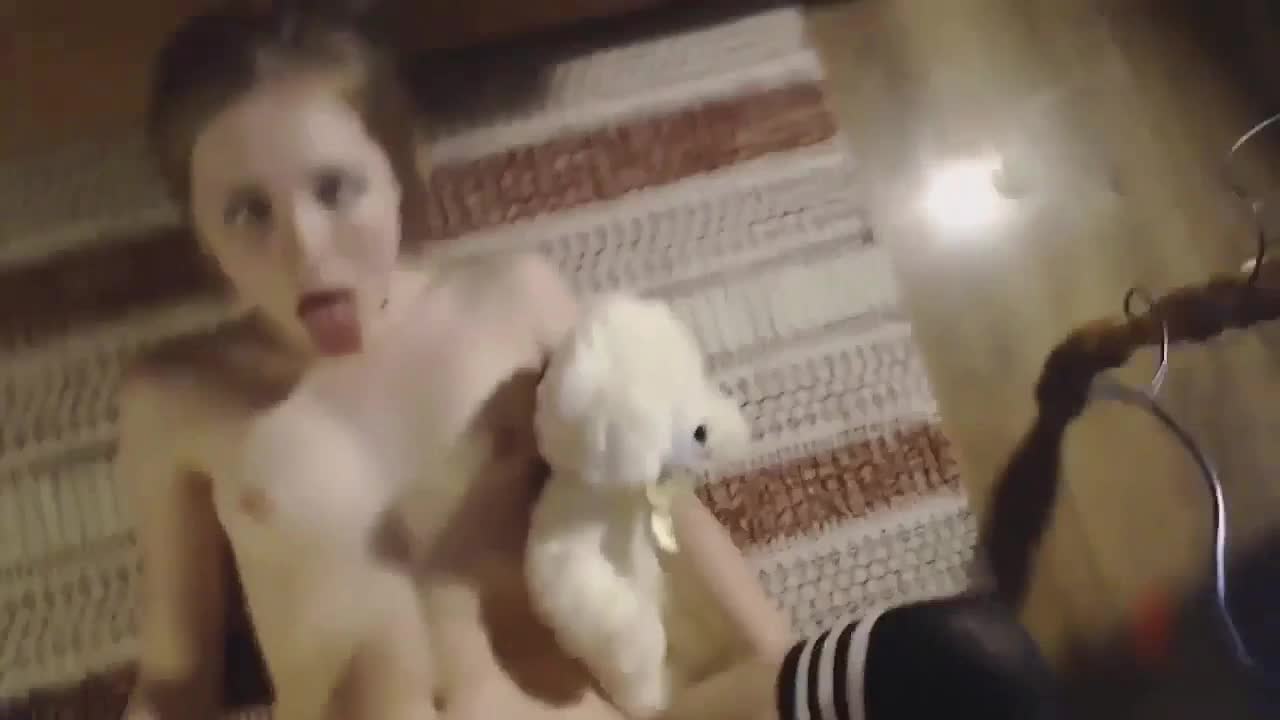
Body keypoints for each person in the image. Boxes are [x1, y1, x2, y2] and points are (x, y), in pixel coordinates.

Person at [122, 5, 1061, 720]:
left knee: (961, 662)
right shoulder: (180, 400)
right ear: (200, 235)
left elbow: (656, 497)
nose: (304, 246)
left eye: (336, 190)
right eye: (247, 212)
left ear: (401, 174)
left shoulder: (509, 302)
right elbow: (176, 673)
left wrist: (773, 660)